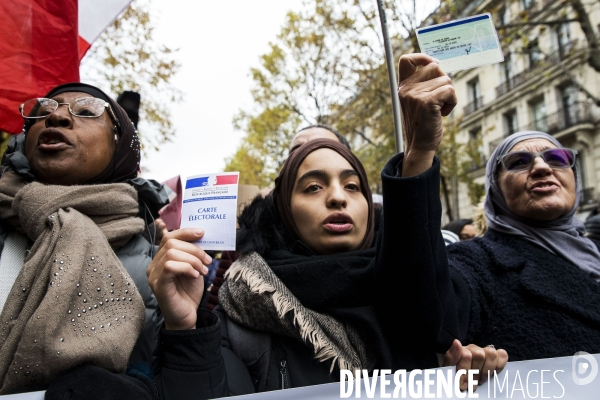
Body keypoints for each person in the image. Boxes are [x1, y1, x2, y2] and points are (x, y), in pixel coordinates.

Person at [148, 56, 509, 396]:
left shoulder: (434, 291)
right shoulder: (241, 319)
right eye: (313, 187)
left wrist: (465, 375)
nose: (338, 197)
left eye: (353, 186)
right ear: (284, 210)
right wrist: (184, 329)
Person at [388, 53, 600, 361]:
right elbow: (422, 313)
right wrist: (419, 150)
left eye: (557, 159)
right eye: (519, 162)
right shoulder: (478, 262)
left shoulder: (594, 250)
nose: (542, 168)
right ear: (495, 190)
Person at [0, 83, 167, 396]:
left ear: (120, 145)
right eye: (44, 111)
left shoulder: (160, 269)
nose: (57, 117)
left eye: (87, 111)